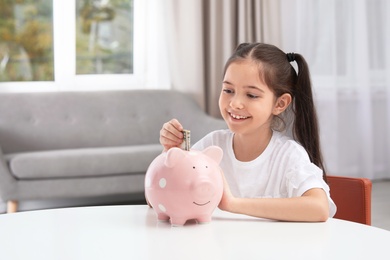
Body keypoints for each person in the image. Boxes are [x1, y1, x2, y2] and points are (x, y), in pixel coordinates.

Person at [159, 43, 336, 222]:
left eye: (251, 95)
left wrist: (232, 203)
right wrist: (168, 155)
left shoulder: (288, 155)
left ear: (280, 104)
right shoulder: (212, 144)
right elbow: (161, 200)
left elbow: (319, 208)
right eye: (228, 90)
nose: (235, 103)